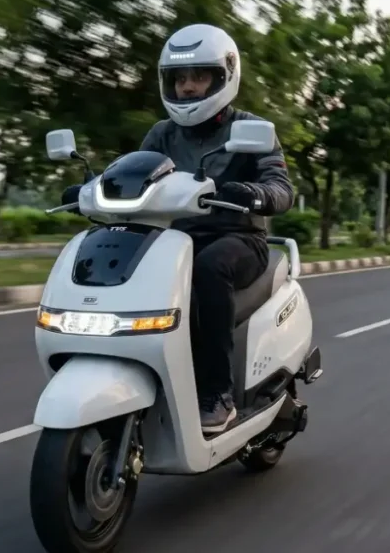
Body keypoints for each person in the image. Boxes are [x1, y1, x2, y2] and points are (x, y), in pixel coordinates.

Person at [61, 24, 294, 434]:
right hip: (171, 239)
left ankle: (217, 394)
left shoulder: (251, 129)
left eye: (198, 76)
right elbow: (134, 176)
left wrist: (256, 194)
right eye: (179, 78)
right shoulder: (162, 133)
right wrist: (90, 190)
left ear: (224, 76)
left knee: (209, 268)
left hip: (237, 239)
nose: (187, 87)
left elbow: (281, 187)